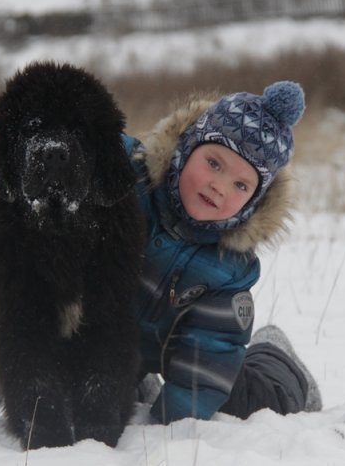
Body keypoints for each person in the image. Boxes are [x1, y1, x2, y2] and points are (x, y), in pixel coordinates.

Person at [123, 80, 322, 423]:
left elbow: (208, 360)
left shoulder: (229, 267)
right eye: (214, 164)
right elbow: (84, 141)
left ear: (252, 203)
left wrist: (170, 427)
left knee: (243, 401)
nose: (219, 186)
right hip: (114, 336)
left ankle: (278, 358)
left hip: (186, 345)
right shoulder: (130, 180)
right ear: (186, 148)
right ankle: (135, 382)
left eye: (241, 185)